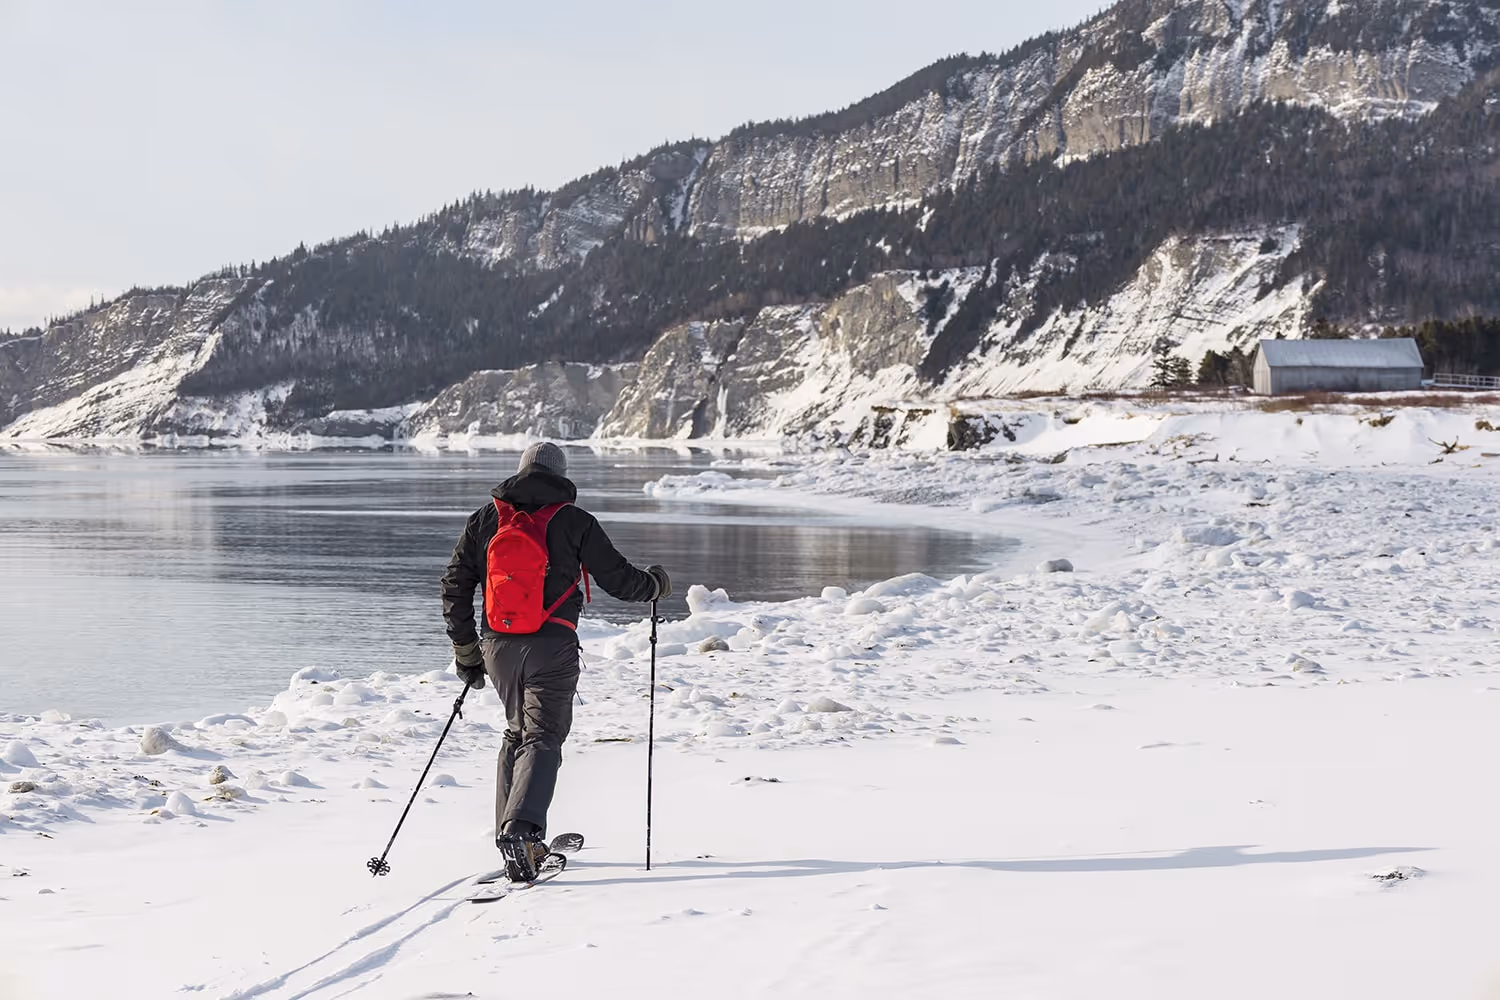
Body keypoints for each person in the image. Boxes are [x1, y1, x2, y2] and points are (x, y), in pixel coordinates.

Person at [441, 442, 670, 881]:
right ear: (561, 475)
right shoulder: (574, 521)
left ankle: (509, 834)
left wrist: (466, 650)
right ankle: (522, 834)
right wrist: (655, 585)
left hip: (498, 646)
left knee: (517, 733)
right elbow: (620, 580)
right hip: (552, 645)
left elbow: (454, 585)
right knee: (543, 736)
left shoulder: (486, 519)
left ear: (521, 470)